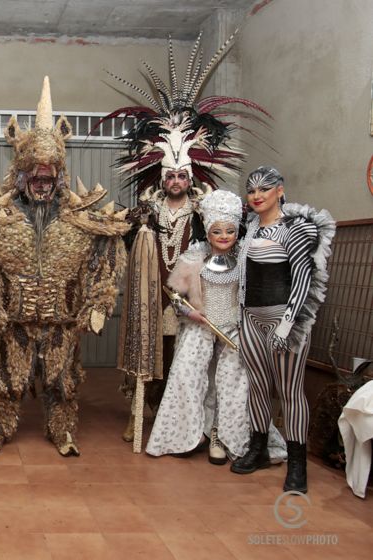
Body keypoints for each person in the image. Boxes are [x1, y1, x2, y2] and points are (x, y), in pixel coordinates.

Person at [102, 32, 270, 446]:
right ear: (161, 177)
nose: (176, 181)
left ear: (190, 176)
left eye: (182, 175)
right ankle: (143, 410)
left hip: (198, 295)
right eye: (170, 175)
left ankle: (190, 420)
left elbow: (226, 239)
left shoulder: (205, 208)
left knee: (187, 356)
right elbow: (127, 243)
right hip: (153, 291)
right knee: (150, 349)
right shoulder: (148, 205)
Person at [0, 77, 129, 457]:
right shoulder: (0, 219)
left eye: (48, 177)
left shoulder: (79, 221)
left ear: (58, 176)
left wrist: (99, 304)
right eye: (35, 177)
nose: (41, 184)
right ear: (22, 176)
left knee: (64, 381)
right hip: (13, 321)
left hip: (61, 321)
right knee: (5, 378)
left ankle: (62, 430)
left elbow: (106, 253)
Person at [146, 189, 287, 463]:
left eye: (230, 231)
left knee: (234, 382)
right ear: (208, 232)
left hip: (233, 330)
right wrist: (190, 311)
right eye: (217, 231)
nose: (224, 236)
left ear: (237, 231)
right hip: (200, 326)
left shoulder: (245, 256)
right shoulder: (195, 255)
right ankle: (190, 433)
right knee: (188, 373)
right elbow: (175, 295)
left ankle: (222, 434)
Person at [232, 166, 335, 493]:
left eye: (264, 188)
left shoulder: (297, 227)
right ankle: (258, 448)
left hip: (284, 320)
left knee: (290, 391)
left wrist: (288, 323)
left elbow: (304, 277)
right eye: (251, 190)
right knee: (257, 386)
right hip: (249, 317)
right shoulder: (247, 227)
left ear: (280, 190)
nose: (257, 195)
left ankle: (297, 464)